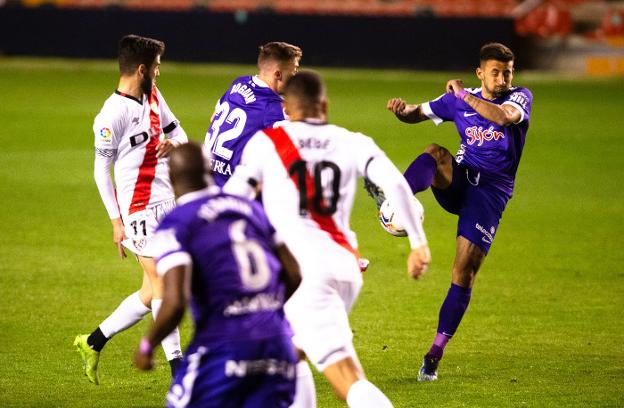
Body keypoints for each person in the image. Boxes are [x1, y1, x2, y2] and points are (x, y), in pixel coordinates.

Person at [224, 70, 431, 408]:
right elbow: (396, 185)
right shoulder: (352, 141)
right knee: (288, 355)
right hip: (344, 268)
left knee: (348, 380)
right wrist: (417, 243)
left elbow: (233, 200)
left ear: (286, 109)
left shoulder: (268, 142)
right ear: (324, 105)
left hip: (303, 275)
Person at [385, 42, 533, 381]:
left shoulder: (519, 98)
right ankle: (399, 199)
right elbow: (417, 112)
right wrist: (401, 110)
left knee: (462, 273)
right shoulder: (459, 97)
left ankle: (434, 353)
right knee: (436, 152)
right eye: (495, 72)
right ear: (480, 73)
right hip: (462, 180)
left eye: (507, 72)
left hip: (489, 195)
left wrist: (463, 97)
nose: (502, 79)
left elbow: (501, 116)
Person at [133, 142, 302, 408]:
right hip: (277, 344)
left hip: (223, 346)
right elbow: (293, 274)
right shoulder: (251, 209)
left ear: (172, 179)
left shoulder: (177, 223)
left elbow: (174, 300)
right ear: (210, 172)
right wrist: (264, 311)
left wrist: (147, 346)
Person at [74, 34, 187, 384]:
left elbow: (176, 130)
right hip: (138, 212)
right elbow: (99, 170)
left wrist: (174, 143)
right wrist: (116, 222)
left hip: (168, 203)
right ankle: (178, 370)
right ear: (142, 69)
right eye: (156, 67)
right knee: (165, 288)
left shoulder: (153, 94)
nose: (158, 72)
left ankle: (92, 341)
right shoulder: (112, 115)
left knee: (152, 292)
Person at [204, 41, 302, 186]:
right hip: (232, 190)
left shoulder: (238, 83)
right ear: (278, 74)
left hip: (207, 177)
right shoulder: (273, 107)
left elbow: (214, 116)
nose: (296, 75)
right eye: (293, 70)